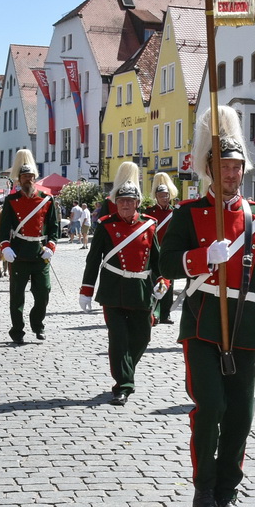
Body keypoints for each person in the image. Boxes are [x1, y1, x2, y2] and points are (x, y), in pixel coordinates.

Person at [157, 105, 255, 507]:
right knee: (210, 407)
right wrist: (202, 257)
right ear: (209, 167)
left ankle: (227, 491)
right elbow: (166, 264)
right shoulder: (188, 214)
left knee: (241, 412)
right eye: (223, 165)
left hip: (243, 323)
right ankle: (203, 487)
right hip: (203, 317)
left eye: (237, 166)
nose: (231, 174)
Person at [79, 162, 158, 405]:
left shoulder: (149, 225)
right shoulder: (105, 225)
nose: (125, 204)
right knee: (118, 339)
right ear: (116, 202)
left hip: (141, 291)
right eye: (121, 200)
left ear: (137, 203)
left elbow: (157, 259)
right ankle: (123, 385)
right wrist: (86, 290)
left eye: (129, 201)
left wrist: (163, 280)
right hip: (113, 291)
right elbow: (93, 260)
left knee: (142, 337)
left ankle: (126, 372)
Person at [0, 150, 60, 344]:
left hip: (40, 254)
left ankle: (38, 325)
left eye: (31, 177)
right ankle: (17, 330)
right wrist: (5, 247)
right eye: (25, 177)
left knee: (44, 293)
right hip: (18, 254)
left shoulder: (46, 200)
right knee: (17, 297)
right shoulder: (11, 201)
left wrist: (51, 245)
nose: (28, 180)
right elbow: (4, 227)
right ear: (19, 179)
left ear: (35, 179)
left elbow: (54, 227)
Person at [144, 174, 179, 324]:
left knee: (169, 284)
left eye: (166, 195)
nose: (164, 198)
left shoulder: (175, 212)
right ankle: (155, 313)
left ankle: (166, 314)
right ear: (156, 197)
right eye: (161, 196)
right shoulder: (150, 212)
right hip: (154, 250)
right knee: (155, 282)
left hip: (169, 251)